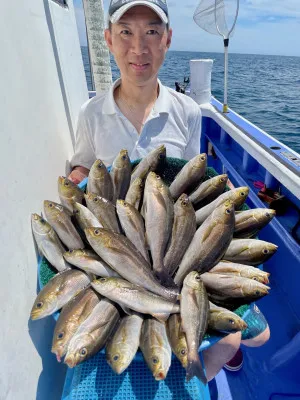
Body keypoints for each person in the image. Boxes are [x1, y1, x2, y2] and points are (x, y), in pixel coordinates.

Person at [68, 0, 270, 380]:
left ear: (168, 40)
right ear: (108, 40)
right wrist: (76, 187)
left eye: (151, 32)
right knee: (228, 340)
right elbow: (82, 165)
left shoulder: (187, 111)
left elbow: (187, 185)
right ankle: (194, 361)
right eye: (126, 32)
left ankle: (210, 355)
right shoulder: (91, 113)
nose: (138, 47)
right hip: (119, 242)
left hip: (177, 251)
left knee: (256, 337)